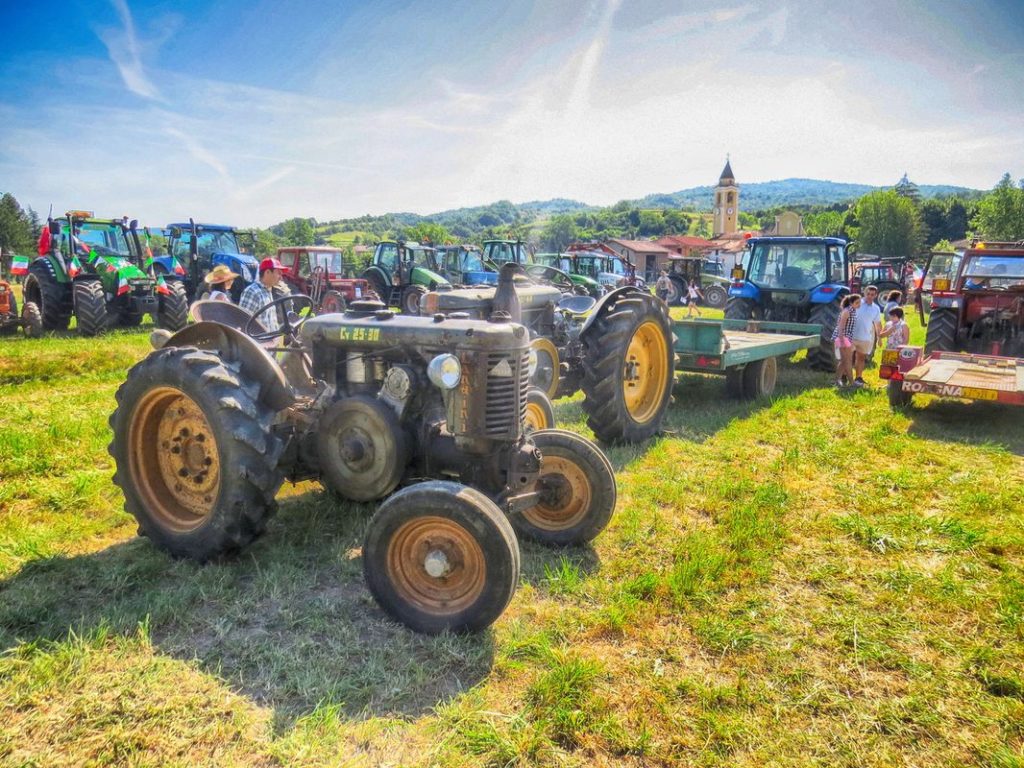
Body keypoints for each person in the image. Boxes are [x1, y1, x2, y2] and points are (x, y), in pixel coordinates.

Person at [239, 257, 285, 332]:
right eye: (278, 273)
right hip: (260, 342)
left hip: (272, 341)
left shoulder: (268, 290)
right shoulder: (252, 292)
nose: (281, 277)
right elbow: (243, 322)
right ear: (267, 272)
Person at [851, 285, 882, 385]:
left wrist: (880, 338)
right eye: (868, 294)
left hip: (865, 337)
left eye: (872, 295)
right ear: (864, 293)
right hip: (851, 335)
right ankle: (844, 377)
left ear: (876, 295)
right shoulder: (856, 303)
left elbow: (877, 323)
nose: (869, 296)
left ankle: (858, 378)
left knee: (861, 358)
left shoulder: (876, 308)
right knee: (847, 358)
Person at [832, 293, 861, 388]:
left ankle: (837, 380)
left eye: (859, 302)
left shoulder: (852, 311)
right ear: (851, 303)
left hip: (846, 337)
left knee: (845, 361)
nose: (859, 304)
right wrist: (842, 340)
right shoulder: (847, 311)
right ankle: (852, 382)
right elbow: (841, 326)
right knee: (847, 360)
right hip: (843, 337)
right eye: (857, 302)